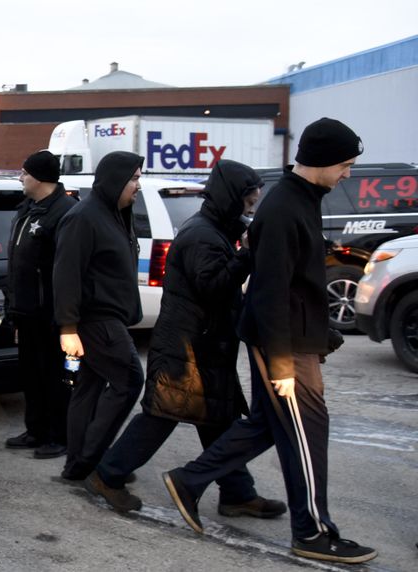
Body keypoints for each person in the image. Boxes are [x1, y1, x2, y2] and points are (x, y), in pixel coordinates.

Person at [163, 118, 375, 564]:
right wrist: (281, 362)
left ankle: (189, 479)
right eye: (345, 165)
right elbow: (271, 289)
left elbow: (299, 284)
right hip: (284, 348)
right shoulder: (283, 207)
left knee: (268, 424)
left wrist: (321, 332)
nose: (348, 174)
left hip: (294, 340)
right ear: (321, 162)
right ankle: (313, 533)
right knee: (307, 436)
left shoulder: (302, 199)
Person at [85, 160, 285, 521]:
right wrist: (246, 255)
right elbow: (212, 287)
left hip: (205, 347)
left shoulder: (219, 228)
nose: (251, 209)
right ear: (231, 198)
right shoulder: (201, 235)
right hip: (185, 349)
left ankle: (238, 493)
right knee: (161, 416)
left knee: (218, 419)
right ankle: (107, 475)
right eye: (248, 202)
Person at [53, 150, 145, 481]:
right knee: (130, 380)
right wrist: (68, 326)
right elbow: (66, 274)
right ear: (115, 180)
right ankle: (90, 461)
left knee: (88, 390)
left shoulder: (117, 214)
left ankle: (77, 462)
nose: (138, 186)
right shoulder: (83, 217)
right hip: (95, 320)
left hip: (110, 317)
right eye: (133, 179)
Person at [3, 150, 76, 460]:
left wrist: (65, 319)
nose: (21, 177)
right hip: (26, 311)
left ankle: (59, 436)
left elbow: (68, 269)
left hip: (51, 314)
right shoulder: (28, 209)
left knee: (55, 377)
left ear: (41, 178)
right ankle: (35, 430)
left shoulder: (65, 213)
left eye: (25, 173)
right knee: (31, 375)